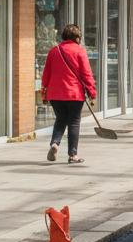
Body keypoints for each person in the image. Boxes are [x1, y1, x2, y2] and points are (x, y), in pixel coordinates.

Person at [40, 24, 97, 164]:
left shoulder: (54, 51)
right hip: (74, 93)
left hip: (55, 94)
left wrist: (44, 93)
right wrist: (92, 92)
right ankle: (73, 155)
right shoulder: (80, 51)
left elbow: (46, 74)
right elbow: (86, 74)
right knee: (74, 122)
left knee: (60, 119)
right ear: (77, 38)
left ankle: (54, 143)